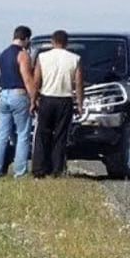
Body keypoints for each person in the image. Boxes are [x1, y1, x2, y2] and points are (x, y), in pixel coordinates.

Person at [31, 30, 83, 178]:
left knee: (42, 134)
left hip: (47, 98)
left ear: (52, 42)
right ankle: (57, 169)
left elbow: (36, 81)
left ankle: (39, 169)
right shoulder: (75, 59)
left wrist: (33, 100)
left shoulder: (43, 57)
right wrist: (79, 103)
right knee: (60, 136)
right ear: (66, 43)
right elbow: (78, 83)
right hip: (65, 99)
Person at [0, 25, 37, 179]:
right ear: (26, 39)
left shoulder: (2, 54)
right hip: (19, 94)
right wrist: (34, 98)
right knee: (23, 134)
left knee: (1, 134)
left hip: (3, 95)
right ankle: (20, 172)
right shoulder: (22, 55)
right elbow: (27, 78)